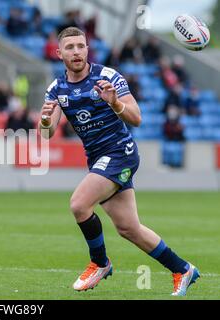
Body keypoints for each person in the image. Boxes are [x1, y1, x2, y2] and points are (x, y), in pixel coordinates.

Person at [38, 27, 199, 296]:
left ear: (88, 49)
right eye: (69, 47)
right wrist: (44, 121)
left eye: (80, 46)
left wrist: (114, 103)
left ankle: (100, 263)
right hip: (98, 159)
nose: (76, 51)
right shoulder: (56, 89)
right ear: (59, 53)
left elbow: (136, 117)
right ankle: (182, 268)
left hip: (119, 152)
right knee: (128, 228)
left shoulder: (106, 76)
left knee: (79, 204)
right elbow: (46, 134)